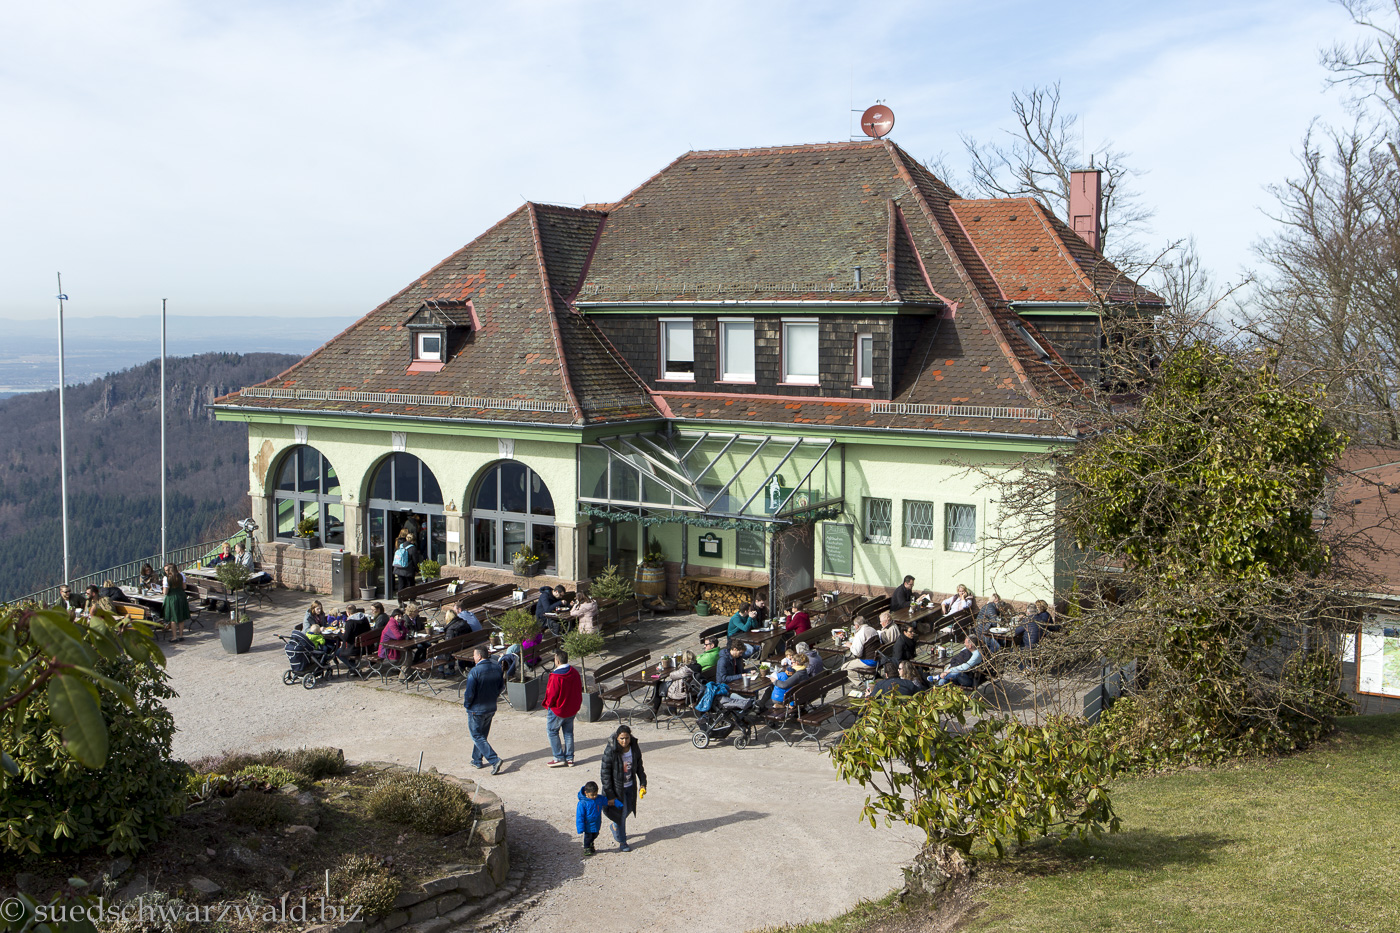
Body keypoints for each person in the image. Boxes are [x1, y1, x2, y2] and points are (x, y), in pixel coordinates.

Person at [599, 725, 646, 852]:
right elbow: (605, 773)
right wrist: (610, 794)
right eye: (621, 739)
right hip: (616, 790)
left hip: (630, 786)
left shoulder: (634, 748)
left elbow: (639, 767)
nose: (624, 741)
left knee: (629, 809)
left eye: (626, 738)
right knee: (621, 814)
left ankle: (615, 826)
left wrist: (643, 783)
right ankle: (622, 841)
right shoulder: (611, 750)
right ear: (617, 738)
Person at [462, 645, 506, 774]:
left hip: (477, 708)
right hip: (491, 707)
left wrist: (467, 705)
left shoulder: (475, 672)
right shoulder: (497, 668)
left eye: (474, 655)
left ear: (479, 656)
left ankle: (494, 760)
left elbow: (469, 693)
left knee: (477, 735)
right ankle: (477, 760)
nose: (473, 657)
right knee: (482, 735)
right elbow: (501, 687)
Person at [544, 650, 583, 767]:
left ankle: (558, 757)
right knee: (568, 732)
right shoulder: (574, 672)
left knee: (552, 731)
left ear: (557, 661)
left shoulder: (556, 676)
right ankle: (570, 758)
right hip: (572, 708)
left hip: (558, 709)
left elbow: (551, 694)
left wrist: (548, 705)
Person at [841, 615, 882, 686]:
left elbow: (858, 653)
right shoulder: (873, 630)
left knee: (844, 668)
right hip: (878, 660)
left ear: (857, 625)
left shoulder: (860, 634)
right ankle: (870, 678)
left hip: (868, 661)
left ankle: (863, 683)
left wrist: (851, 646)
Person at [161, 564, 191, 642]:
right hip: (181, 596)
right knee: (181, 617)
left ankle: (174, 637)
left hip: (172, 598)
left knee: (173, 618)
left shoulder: (166, 578)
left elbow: (165, 592)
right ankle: (181, 636)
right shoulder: (181, 575)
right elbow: (184, 587)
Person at [576, 781, 604, 857]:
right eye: (592, 795)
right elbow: (580, 816)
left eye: (596, 794)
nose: (594, 796)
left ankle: (591, 844)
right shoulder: (582, 803)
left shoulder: (599, 799)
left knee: (595, 834)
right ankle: (587, 847)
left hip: (596, 823)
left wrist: (617, 803)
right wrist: (580, 828)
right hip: (587, 824)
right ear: (586, 793)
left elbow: (606, 801)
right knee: (588, 836)